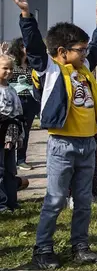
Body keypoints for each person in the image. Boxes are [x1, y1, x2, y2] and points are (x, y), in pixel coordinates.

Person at [11, 0, 97, 269]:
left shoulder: (84, 67)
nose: (87, 52)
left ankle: (80, 244)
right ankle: (42, 249)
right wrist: (26, 14)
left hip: (87, 143)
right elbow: (36, 46)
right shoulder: (50, 69)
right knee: (54, 199)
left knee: (83, 200)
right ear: (63, 52)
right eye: (81, 49)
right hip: (62, 146)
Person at [8, 37, 40, 171]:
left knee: (25, 132)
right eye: (23, 46)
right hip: (15, 101)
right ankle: (9, 160)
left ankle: (21, 160)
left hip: (30, 101)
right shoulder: (12, 64)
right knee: (11, 130)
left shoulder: (32, 64)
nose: (26, 49)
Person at [0, 49, 24, 213]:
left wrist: (20, 134)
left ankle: (11, 201)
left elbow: (18, 112)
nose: (8, 72)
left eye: (10, 68)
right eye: (4, 68)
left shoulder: (12, 89)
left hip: (11, 133)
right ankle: (1, 203)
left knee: (10, 169)